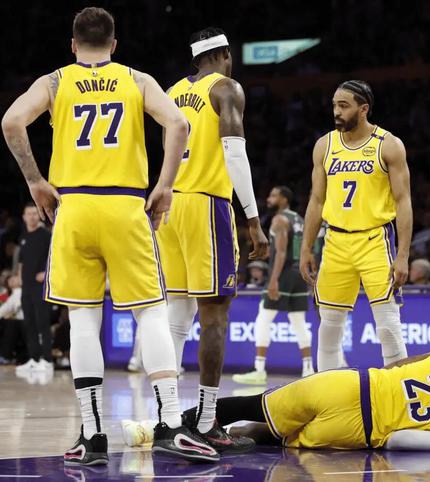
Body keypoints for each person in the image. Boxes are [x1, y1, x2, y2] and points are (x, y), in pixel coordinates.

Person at [1, 7, 218, 464]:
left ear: (73, 44)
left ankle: (92, 436)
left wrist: (35, 182)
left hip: (74, 208)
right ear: (115, 44)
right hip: (125, 206)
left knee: (83, 321)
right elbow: (179, 124)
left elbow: (11, 121)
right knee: (151, 313)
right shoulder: (136, 79)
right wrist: (165, 186)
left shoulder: (55, 81)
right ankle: (170, 424)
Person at [155, 26, 268, 453]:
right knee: (215, 315)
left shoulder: (171, 92)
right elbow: (235, 154)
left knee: (176, 317)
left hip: (171, 207)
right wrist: (252, 218)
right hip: (206, 204)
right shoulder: (226, 88)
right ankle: (206, 421)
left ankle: (167, 419)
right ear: (224, 54)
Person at [123, 350, 430, 451]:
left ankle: (153, 430)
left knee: (252, 403)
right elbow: (403, 441)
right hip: (356, 429)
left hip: (351, 385)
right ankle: (227, 438)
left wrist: (378, 380)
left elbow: (398, 364)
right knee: (267, 435)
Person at [300, 80, 413, 370]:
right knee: (329, 326)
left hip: (375, 240)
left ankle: (398, 392)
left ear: (363, 109)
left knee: (388, 326)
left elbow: (403, 202)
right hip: (335, 241)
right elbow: (316, 201)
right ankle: (327, 392)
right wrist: (306, 248)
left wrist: (402, 254)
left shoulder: (388, 145)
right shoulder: (324, 145)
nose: (336, 112)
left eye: (343, 106)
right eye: (334, 105)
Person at [233, 186, 314, 385]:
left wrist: (273, 280)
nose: (269, 199)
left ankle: (259, 370)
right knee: (299, 322)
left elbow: (282, 251)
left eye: (274, 195)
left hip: (283, 273)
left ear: (284, 199)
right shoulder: (299, 219)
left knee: (263, 319)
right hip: (299, 274)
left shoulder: (279, 220)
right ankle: (308, 369)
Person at [15, 203, 52, 372]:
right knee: (29, 323)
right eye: (28, 214)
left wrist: (46, 273)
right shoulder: (23, 237)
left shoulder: (45, 235)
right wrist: (18, 277)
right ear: (24, 217)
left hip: (40, 286)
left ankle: (47, 359)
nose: (31, 216)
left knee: (42, 322)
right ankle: (34, 358)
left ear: (39, 215)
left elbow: (54, 255)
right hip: (26, 287)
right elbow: (21, 261)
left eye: (34, 213)